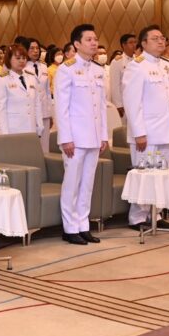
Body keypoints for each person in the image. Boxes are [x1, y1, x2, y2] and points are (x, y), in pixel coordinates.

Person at [121, 24, 169, 230]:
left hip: (167, 129)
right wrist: (139, 133)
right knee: (144, 175)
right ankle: (138, 217)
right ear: (144, 43)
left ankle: (156, 213)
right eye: (155, 39)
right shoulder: (136, 66)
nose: (161, 41)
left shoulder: (167, 65)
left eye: (162, 38)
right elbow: (131, 102)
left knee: (162, 174)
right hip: (147, 131)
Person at [55, 23, 108, 246]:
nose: (94, 43)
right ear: (77, 44)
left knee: (87, 184)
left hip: (93, 137)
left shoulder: (98, 70)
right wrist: (66, 138)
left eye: (95, 39)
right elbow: (61, 107)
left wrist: (103, 135)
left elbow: (101, 106)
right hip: (75, 138)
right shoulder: (66, 69)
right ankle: (69, 228)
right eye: (89, 39)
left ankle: (83, 225)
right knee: (72, 183)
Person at [0, 44, 44, 139]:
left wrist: (40, 125)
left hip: (31, 128)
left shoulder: (31, 77)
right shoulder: (2, 79)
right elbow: (0, 109)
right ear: (9, 59)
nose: (22, 61)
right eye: (18, 58)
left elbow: (37, 103)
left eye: (24, 58)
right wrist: (4, 133)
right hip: (13, 130)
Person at [21, 37, 54, 150]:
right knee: (31, 146)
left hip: (44, 111)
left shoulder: (43, 66)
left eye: (37, 48)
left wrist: (50, 113)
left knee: (44, 145)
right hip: (31, 111)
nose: (35, 51)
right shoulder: (22, 66)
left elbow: (47, 91)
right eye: (32, 48)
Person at [109, 33, 137, 122]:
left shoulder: (138, 60)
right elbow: (115, 84)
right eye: (131, 42)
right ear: (124, 45)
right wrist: (118, 104)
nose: (134, 45)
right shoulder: (117, 61)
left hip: (137, 100)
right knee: (125, 126)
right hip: (124, 102)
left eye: (135, 42)